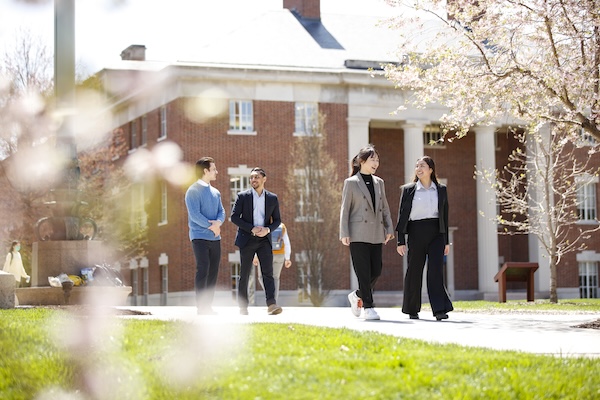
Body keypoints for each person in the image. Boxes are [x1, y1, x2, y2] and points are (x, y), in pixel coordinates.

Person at [340, 145, 395, 320]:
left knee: (376, 270)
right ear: (361, 161)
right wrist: (344, 232)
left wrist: (389, 228)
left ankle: (357, 295)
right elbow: (344, 209)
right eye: (372, 159)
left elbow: (385, 207)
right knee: (363, 271)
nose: (376, 163)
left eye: (377, 160)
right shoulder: (351, 183)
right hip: (357, 233)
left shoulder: (380, 182)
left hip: (376, 232)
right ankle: (369, 307)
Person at [396, 155, 454, 321]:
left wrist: (446, 240)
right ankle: (412, 309)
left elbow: (445, 215)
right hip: (416, 232)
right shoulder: (409, 190)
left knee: (435, 271)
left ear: (431, 169)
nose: (419, 169)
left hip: (436, 233)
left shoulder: (441, 189)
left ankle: (439, 310)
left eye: (422, 166)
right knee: (414, 271)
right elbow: (402, 216)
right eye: (417, 166)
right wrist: (401, 240)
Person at [231, 167, 283, 316]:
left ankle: (272, 304)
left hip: (264, 241)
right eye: (252, 177)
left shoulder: (272, 198)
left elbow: (278, 220)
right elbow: (234, 217)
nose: (253, 180)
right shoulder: (243, 196)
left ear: (264, 179)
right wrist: (252, 228)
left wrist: (268, 229)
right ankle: (243, 307)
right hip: (247, 239)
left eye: (257, 177)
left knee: (268, 273)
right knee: (245, 273)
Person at [185, 157, 226, 315]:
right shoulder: (192, 191)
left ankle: (208, 306)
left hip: (215, 237)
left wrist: (218, 224)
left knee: (213, 271)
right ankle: (201, 307)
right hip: (199, 236)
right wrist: (212, 226)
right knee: (203, 268)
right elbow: (195, 215)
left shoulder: (216, 192)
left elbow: (221, 211)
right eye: (214, 169)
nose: (217, 172)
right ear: (205, 171)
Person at [253, 222, 292, 303]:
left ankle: (270, 295)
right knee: (276, 278)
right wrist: (287, 258)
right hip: (280, 255)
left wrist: (255, 256)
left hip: (265, 254)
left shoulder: (262, 225)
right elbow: (286, 242)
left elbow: (257, 242)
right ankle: (274, 300)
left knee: (261, 277)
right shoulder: (282, 226)